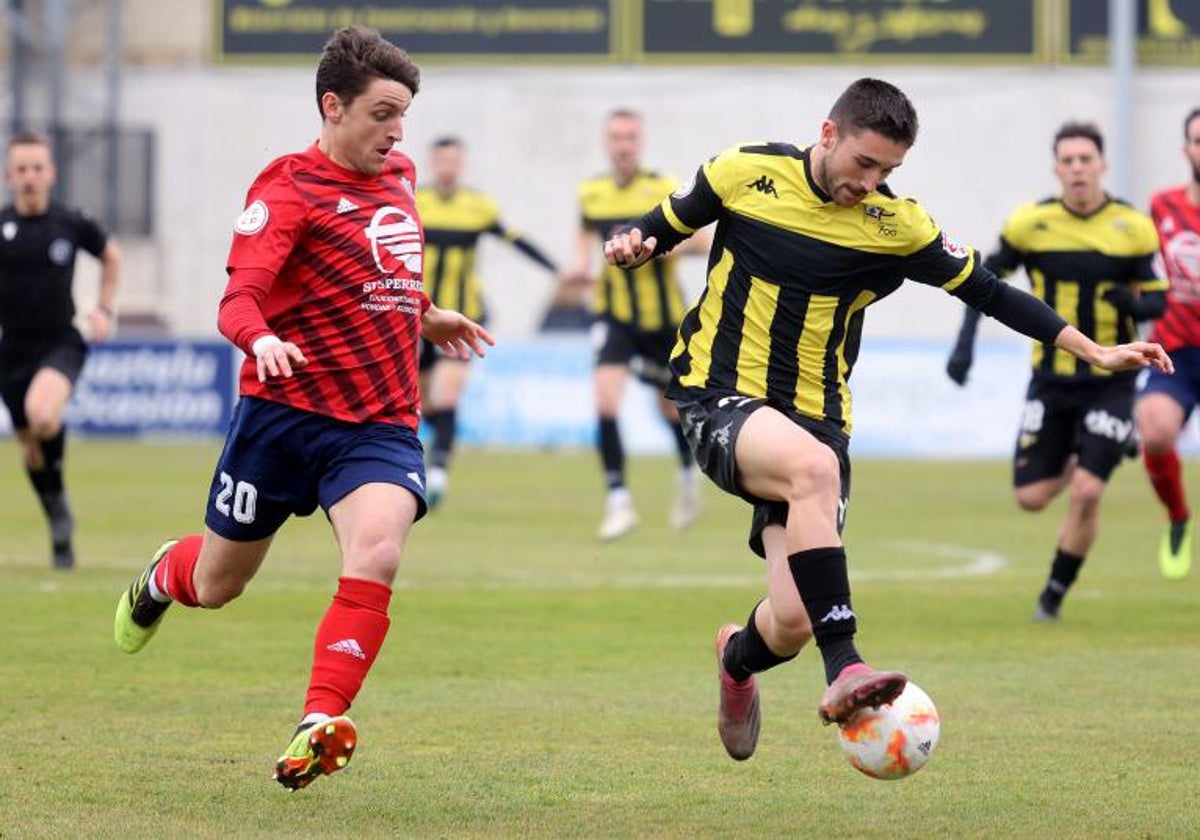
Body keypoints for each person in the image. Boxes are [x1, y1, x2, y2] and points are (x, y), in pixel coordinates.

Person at [603, 78, 1171, 761]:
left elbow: (991, 293)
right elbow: (665, 225)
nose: (870, 183)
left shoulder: (895, 225)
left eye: (888, 171)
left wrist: (1093, 348)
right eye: (864, 164)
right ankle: (848, 666)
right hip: (717, 392)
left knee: (789, 620)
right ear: (829, 132)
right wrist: (636, 244)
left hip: (818, 418)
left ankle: (736, 664)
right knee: (811, 474)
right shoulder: (746, 170)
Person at [112, 26, 492, 791]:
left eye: (404, 114)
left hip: (379, 421)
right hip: (281, 419)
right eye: (384, 112)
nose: (398, 130)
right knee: (219, 584)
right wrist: (260, 341)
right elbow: (238, 299)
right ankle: (161, 576)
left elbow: (376, 267)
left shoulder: (404, 175)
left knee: (379, 551)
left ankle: (318, 720)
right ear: (332, 106)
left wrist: (427, 310)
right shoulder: (285, 188)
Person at [945, 122, 1166, 621]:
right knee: (1031, 497)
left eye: (1086, 159)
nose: (1078, 169)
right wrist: (964, 346)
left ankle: (1052, 596)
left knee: (1088, 491)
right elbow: (981, 281)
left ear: (1102, 165)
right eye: (1068, 161)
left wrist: (1130, 299)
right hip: (1050, 379)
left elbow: (1160, 295)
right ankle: (1095, 446)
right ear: (1056, 168)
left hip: (1113, 379)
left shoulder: (1132, 227)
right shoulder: (1030, 224)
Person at [572, 108, 709, 540]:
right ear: (606, 143)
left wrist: (665, 247)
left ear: (641, 142)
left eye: (630, 137)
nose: (623, 145)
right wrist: (578, 266)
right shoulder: (592, 192)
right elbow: (583, 239)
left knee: (667, 409)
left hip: (664, 320)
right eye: (616, 137)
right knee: (605, 402)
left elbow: (703, 240)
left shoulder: (663, 186)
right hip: (614, 316)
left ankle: (688, 475)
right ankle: (618, 501)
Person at [416, 135, 560, 510]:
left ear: (460, 165)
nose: (448, 167)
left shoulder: (477, 206)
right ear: (434, 164)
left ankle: (440, 472)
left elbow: (517, 240)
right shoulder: (415, 202)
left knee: (448, 393)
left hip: (463, 315)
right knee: (423, 400)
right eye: (442, 161)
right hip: (419, 317)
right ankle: (434, 455)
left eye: (454, 161)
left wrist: (557, 271)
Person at [0, 132, 120, 570]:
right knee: (32, 452)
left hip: (59, 343)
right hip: (11, 351)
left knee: (43, 413)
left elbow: (111, 255)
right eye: (21, 169)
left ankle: (57, 511)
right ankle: (57, 515)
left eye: (37, 168)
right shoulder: (3, 226)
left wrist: (103, 308)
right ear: (9, 176)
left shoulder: (70, 222)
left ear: (50, 173)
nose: (30, 177)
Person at [1136, 107, 1200, 581]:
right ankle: (1178, 515)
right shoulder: (1162, 205)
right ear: (1186, 150)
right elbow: (1139, 270)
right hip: (1175, 349)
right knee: (1155, 432)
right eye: (1198, 140)